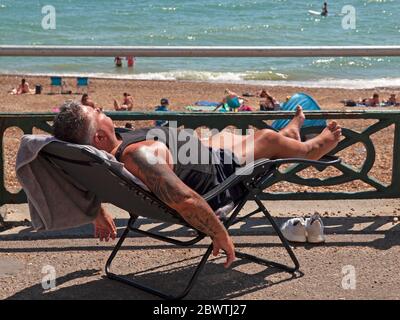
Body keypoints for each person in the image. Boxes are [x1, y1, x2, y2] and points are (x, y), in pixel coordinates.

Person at [53, 102, 342, 268]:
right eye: (96, 113)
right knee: (266, 138)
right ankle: (311, 148)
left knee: (236, 137)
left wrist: (98, 211)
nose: (101, 109)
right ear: (98, 139)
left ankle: (290, 133)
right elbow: (184, 200)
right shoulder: (139, 156)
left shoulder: (101, 154)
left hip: (201, 154)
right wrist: (220, 234)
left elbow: (84, 177)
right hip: (218, 176)